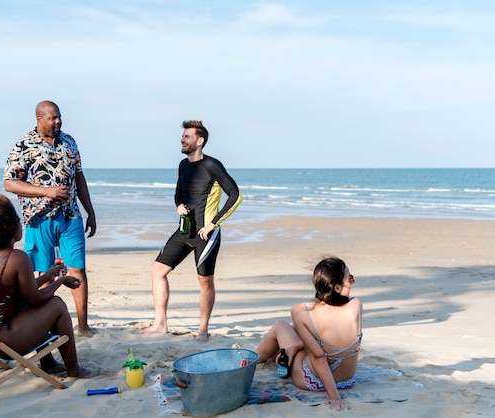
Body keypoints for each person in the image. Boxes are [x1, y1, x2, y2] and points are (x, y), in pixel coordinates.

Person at [0, 194, 97, 379]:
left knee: (31, 306)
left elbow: (20, 291)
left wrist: (48, 276)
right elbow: (36, 298)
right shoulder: (16, 258)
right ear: (8, 228)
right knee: (56, 305)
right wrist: (61, 281)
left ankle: (48, 363)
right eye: (17, 219)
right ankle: (74, 371)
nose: (21, 222)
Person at [138, 120, 242, 342]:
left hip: (206, 235)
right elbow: (178, 193)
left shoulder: (212, 165)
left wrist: (213, 223)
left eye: (186, 136)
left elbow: (235, 195)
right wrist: (178, 205)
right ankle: (160, 324)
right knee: (157, 270)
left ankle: (202, 329)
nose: (182, 139)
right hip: (184, 231)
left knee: (204, 282)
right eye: (182, 136)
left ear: (199, 141)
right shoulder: (183, 165)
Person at [4, 100, 96, 337]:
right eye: (53, 118)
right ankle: (47, 325)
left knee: (78, 271)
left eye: (59, 117)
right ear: (40, 119)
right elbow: (10, 182)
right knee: (44, 274)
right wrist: (47, 191)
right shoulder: (24, 144)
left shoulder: (69, 141)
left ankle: (83, 327)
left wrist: (91, 212)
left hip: (70, 216)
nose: (58, 122)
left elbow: (80, 178)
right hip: (38, 218)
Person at [253, 257, 362, 411]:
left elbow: (319, 358)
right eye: (349, 278)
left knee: (281, 326)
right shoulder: (356, 306)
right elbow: (332, 341)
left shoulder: (301, 311)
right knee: (298, 332)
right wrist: (297, 346)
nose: (351, 281)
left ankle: (253, 358)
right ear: (337, 288)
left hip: (313, 381)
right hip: (347, 380)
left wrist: (334, 397)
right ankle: (274, 354)